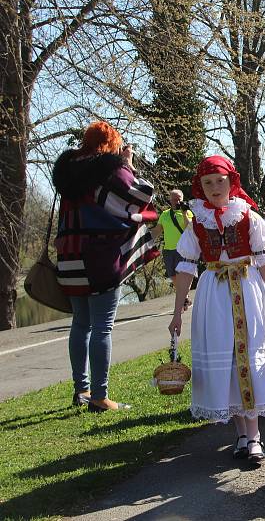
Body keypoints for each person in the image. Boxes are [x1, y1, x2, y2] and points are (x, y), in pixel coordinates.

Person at [168, 155, 265, 466]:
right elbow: (185, 268)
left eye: (220, 181)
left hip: (248, 290)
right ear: (200, 188)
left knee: (249, 356)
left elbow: (263, 261)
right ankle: (241, 434)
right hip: (215, 296)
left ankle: (255, 435)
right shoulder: (196, 224)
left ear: (231, 182)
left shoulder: (248, 217)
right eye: (208, 183)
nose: (214, 187)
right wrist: (177, 311)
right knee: (227, 360)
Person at [53, 121, 160, 412]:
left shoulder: (67, 169)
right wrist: (128, 164)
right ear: (112, 143)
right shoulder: (109, 168)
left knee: (80, 324)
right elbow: (138, 198)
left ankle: (81, 390)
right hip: (99, 255)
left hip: (69, 254)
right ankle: (100, 396)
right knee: (102, 326)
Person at [151, 189, 194, 307]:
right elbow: (157, 231)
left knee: (182, 275)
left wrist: (184, 213)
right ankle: (184, 296)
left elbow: (188, 228)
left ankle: (183, 298)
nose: (177, 201)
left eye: (179, 198)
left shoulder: (188, 213)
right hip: (168, 250)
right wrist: (145, 240)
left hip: (183, 249)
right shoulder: (165, 215)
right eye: (174, 199)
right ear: (170, 199)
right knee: (173, 276)